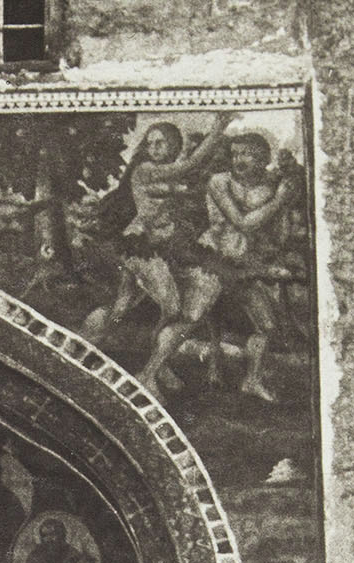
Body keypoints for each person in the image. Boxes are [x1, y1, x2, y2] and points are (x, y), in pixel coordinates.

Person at [141, 131, 299, 403]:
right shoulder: (220, 182)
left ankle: (252, 380)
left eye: (247, 154)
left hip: (244, 266)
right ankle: (147, 374)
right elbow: (244, 223)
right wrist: (280, 200)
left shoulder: (270, 188)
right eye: (236, 153)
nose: (239, 160)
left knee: (267, 327)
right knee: (190, 320)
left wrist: (270, 256)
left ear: (263, 159)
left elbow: (279, 234)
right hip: (212, 261)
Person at [82, 115, 232, 351]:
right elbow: (189, 166)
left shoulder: (164, 171)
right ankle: (149, 363)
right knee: (171, 309)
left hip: (159, 247)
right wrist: (217, 131)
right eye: (150, 143)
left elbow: (179, 178)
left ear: (173, 145)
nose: (153, 148)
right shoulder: (144, 169)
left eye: (160, 143)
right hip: (140, 246)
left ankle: (88, 340)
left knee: (123, 305)